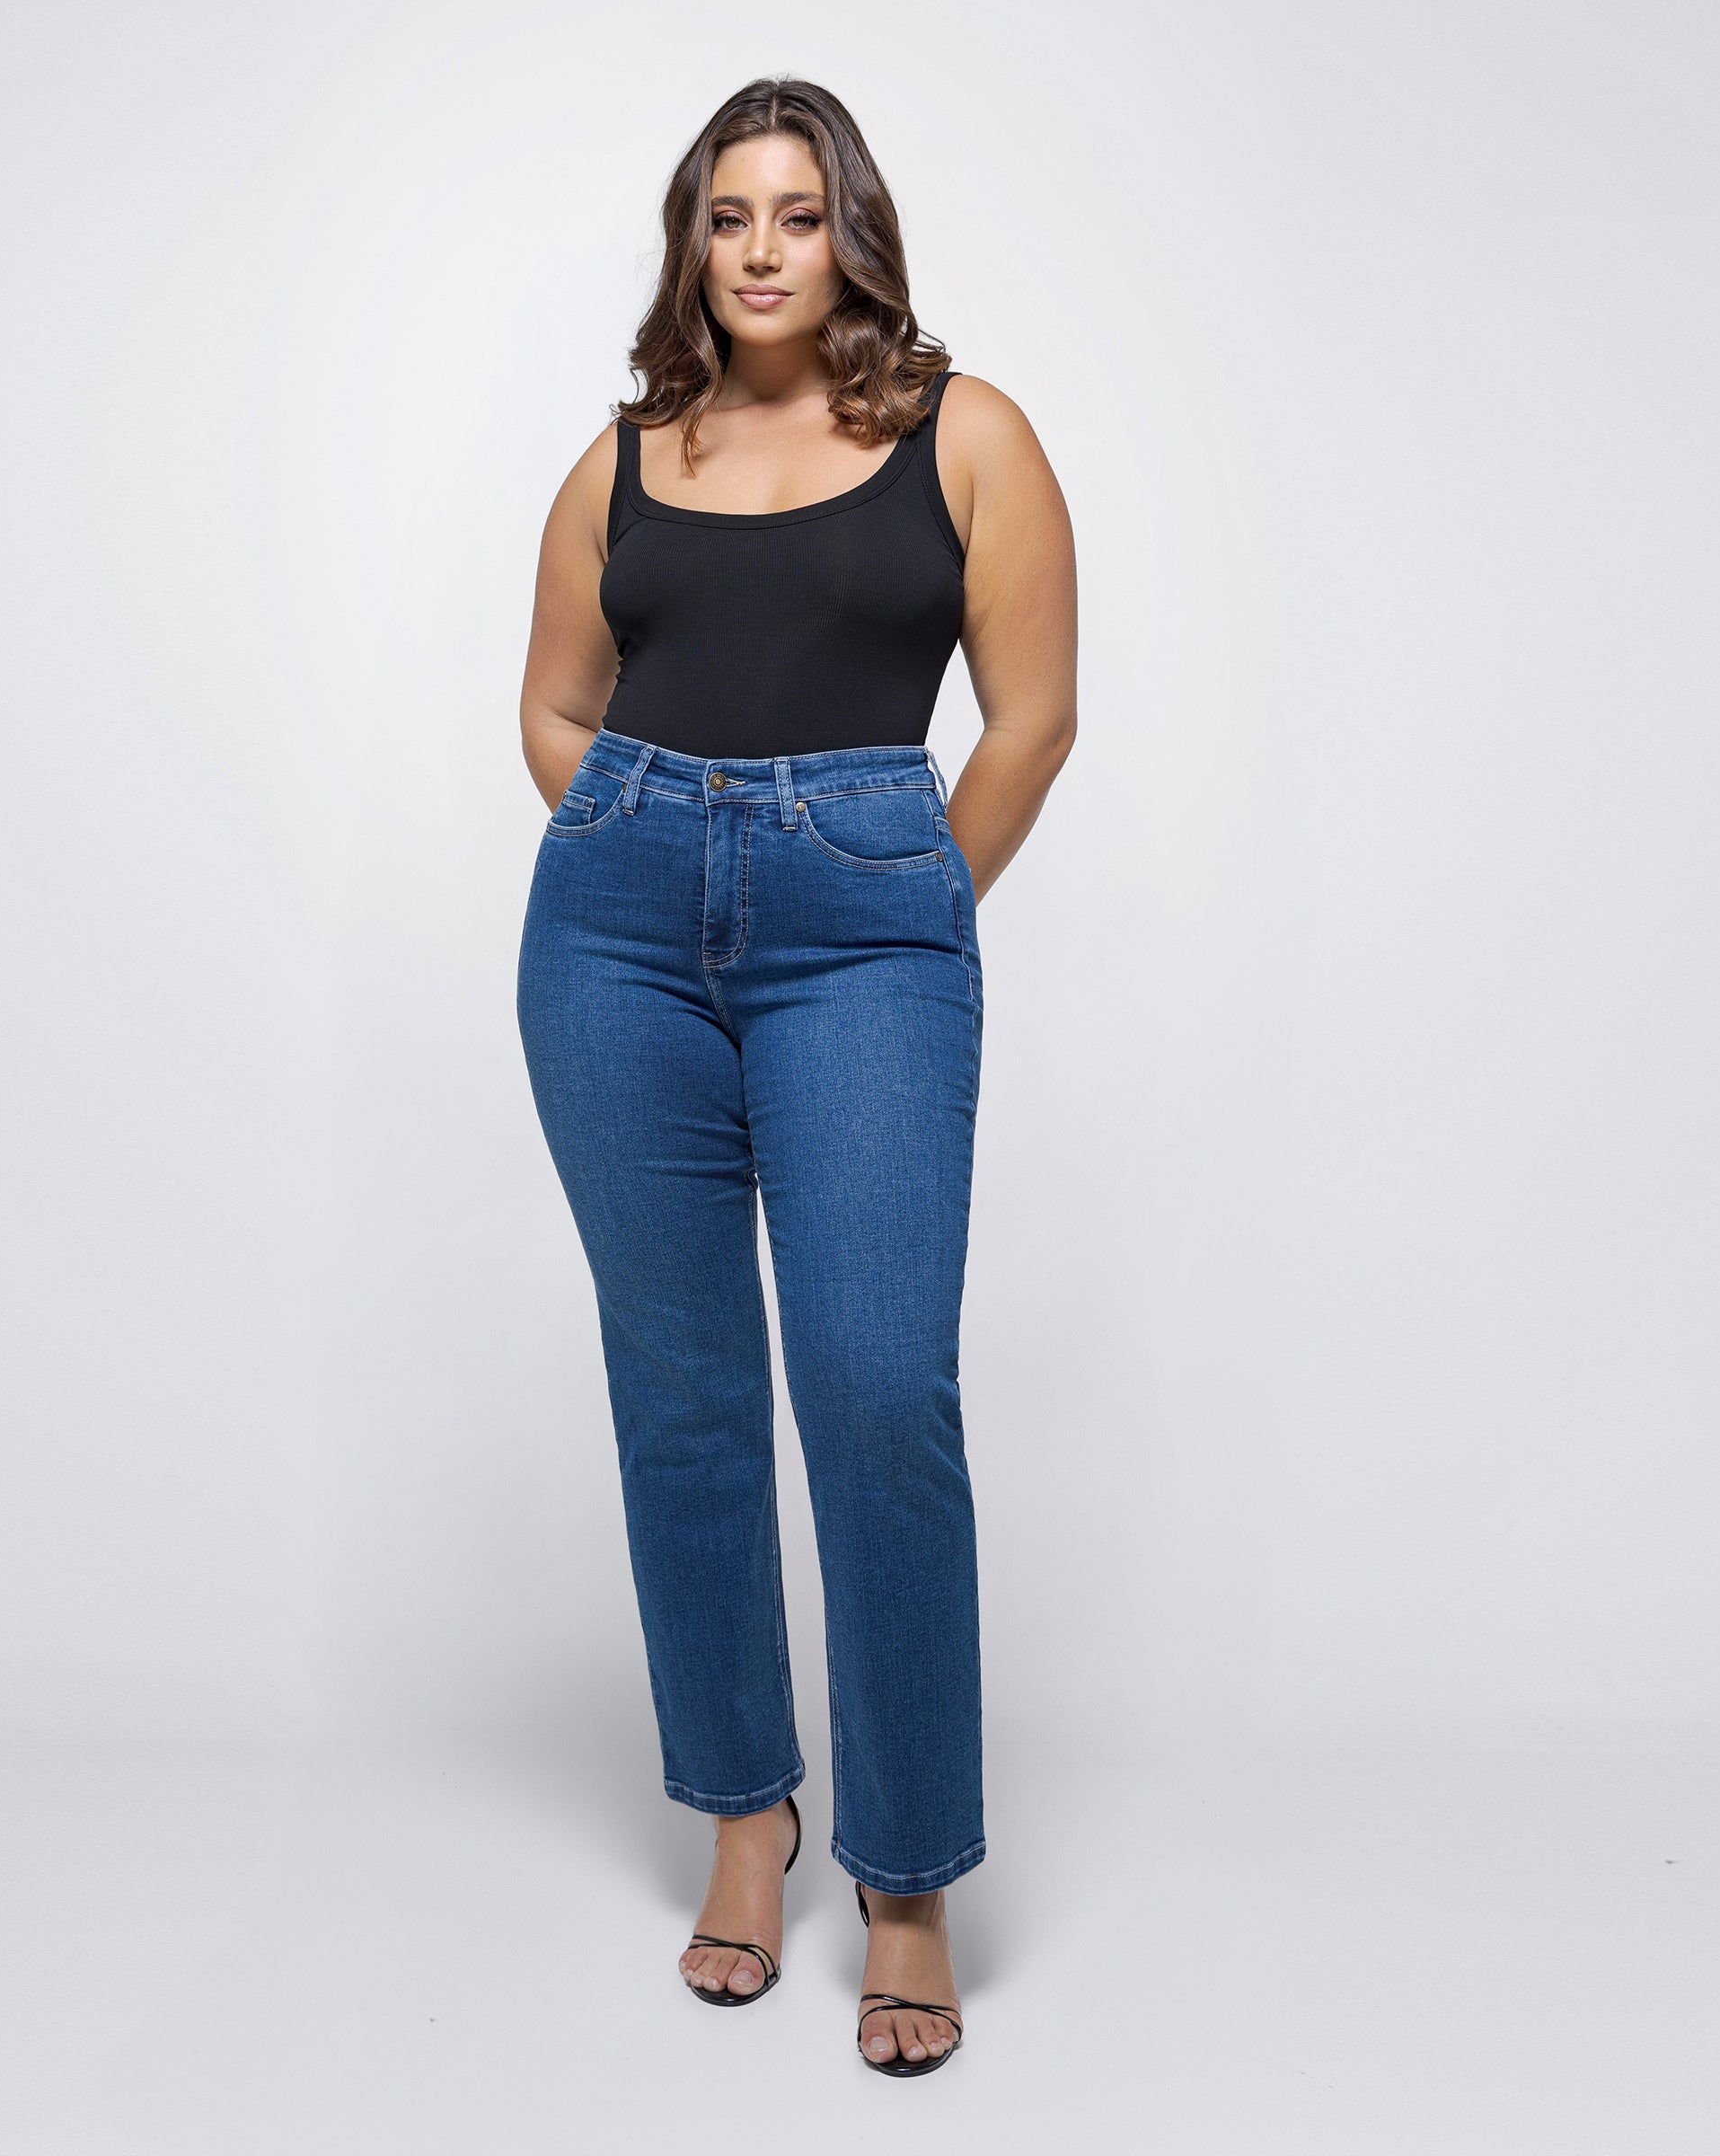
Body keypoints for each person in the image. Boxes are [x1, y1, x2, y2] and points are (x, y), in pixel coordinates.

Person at [516, 75, 1075, 2078]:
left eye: (799, 212)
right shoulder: (624, 459)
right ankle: (746, 1818)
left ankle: (906, 1878)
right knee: (681, 1397)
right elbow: (556, 710)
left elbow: (1031, 720)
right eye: (729, 215)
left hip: (867, 937)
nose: (762, 249)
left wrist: (893, 898)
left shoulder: (964, 433)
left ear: (855, 232)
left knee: (875, 1386)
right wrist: (660, 858)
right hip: (616, 941)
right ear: (694, 240)